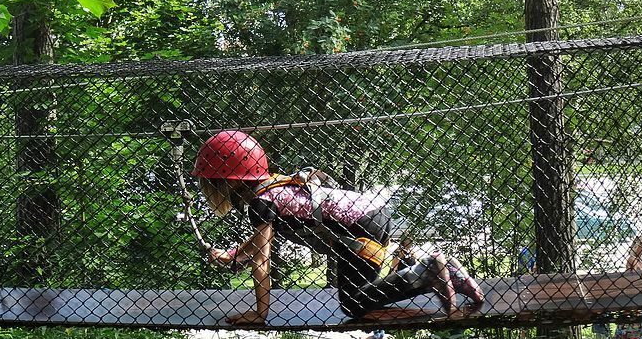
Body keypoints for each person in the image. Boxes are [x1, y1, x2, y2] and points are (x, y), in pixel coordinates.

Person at [191, 130, 456, 325]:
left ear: (226, 181)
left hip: (359, 230)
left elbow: (262, 259)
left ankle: (428, 270)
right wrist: (235, 253)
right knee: (365, 298)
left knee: (354, 304)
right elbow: (262, 239)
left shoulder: (260, 203)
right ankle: (445, 272)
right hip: (370, 217)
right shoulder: (271, 186)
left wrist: (260, 314)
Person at [390, 238, 484, 314]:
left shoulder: (411, 253)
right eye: (407, 243)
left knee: (379, 297)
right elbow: (394, 266)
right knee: (413, 287)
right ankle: (459, 279)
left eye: (410, 243)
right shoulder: (399, 254)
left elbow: (413, 262)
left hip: (412, 277)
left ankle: (431, 269)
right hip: (411, 276)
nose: (409, 245)